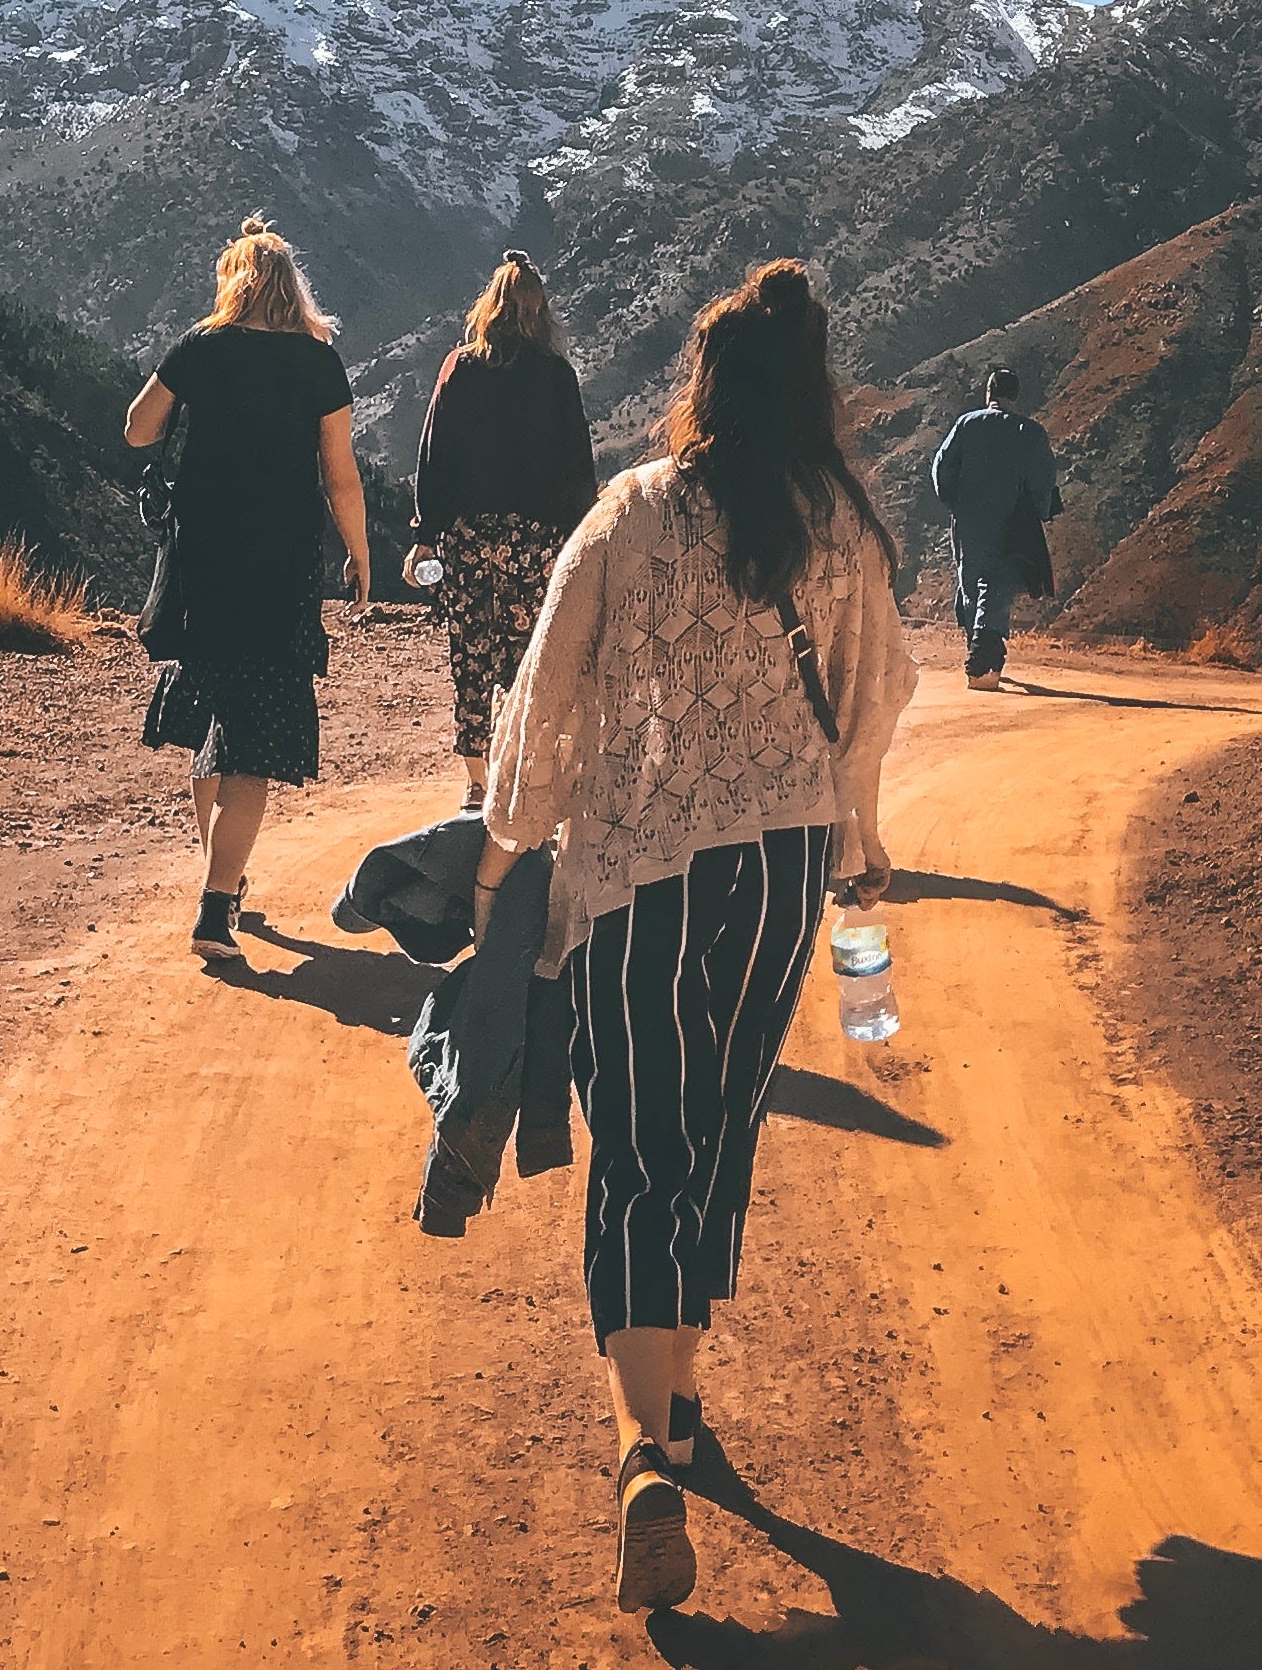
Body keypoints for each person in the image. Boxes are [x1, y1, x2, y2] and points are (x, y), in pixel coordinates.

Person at [469, 259, 914, 1615]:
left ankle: (640, 1450)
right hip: (778, 872)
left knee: (636, 1145)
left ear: (700, 384)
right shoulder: (836, 525)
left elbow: (547, 694)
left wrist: (506, 852)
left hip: (640, 876)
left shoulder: (631, 516)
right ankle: (680, 1399)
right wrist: (858, 830)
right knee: (716, 1122)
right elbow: (874, 691)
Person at [126, 216, 377, 956]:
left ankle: (223, 886)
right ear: (292, 289)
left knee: (210, 722)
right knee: (254, 738)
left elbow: (138, 429)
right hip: (281, 568)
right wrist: (360, 557)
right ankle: (216, 899)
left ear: (231, 283)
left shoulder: (200, 348)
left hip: (203, 565)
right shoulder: (318, 363)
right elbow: (341, 477)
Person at [410, 251, 599, 800]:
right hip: (537, 545)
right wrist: (581, 539)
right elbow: (576, 467)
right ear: (540, 312)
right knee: (530, 658)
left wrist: (426, 535)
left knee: (471, 656)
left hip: (468, 542)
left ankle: (477, 782)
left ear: (487, 307)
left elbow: (433, 456)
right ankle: (526, 774)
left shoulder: (459, 368)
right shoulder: (557, 376)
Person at [928, 362, 1061, 686]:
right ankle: (982, 661)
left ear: (988, 394)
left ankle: (976, 648)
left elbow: (941, 468)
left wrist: (954, 501)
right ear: (1015, 396)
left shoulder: (966, 424)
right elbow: (1042, 482)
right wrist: (1040, 510)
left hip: (968, 519)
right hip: (1011, 521)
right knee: (996, 584)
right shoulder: (1030, 433)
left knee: (970, 579)